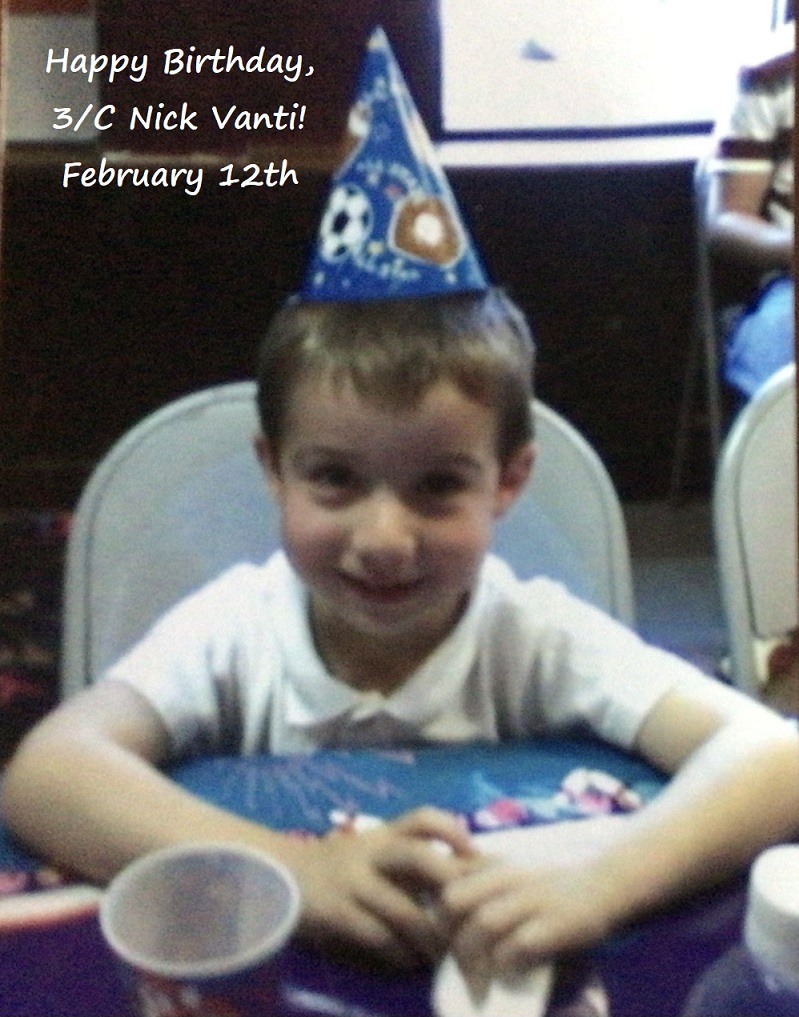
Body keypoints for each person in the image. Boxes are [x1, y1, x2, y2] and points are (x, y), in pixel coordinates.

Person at [4, 28, 799, 984]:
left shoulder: (526, 632)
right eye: (335, 478)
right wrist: (292, 867)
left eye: (437, 485)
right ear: (274, 469)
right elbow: (48, 773)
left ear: (507, 479)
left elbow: (772, 756)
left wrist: (607, 872)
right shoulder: (237, 631)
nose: (383, 540)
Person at [706, 20, 794, 402]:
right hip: (791, 278)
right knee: (769, 355)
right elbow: (728, 218)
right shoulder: (774, 75)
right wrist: (789, 246)